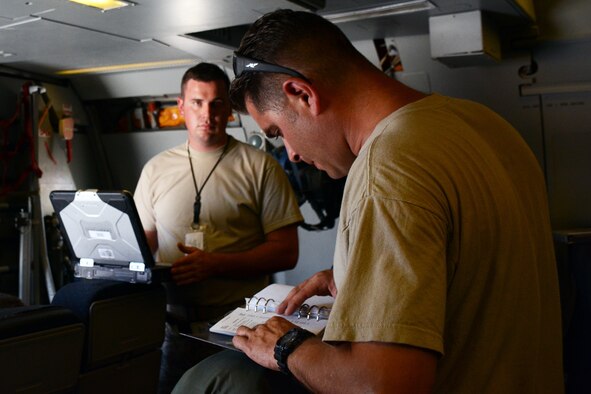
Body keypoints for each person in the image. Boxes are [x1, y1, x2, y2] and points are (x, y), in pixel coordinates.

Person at [172, 9, 565, 394]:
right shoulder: (484, 124)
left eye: (278, 131)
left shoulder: (386, 167)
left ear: (301, 94)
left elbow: (382, 385)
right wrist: (362, 272)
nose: (290, 153)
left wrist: (285, 346)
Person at [133, 62, 304, 393]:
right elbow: (144, 248)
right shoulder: (156, 169)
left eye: (216, 103)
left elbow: (286, 251)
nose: (206, 113)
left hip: (239, 329)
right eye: (197, 103)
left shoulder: (260, 167)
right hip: (173, 328)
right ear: (181, 106)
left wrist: (214, 264)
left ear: (229, 108)